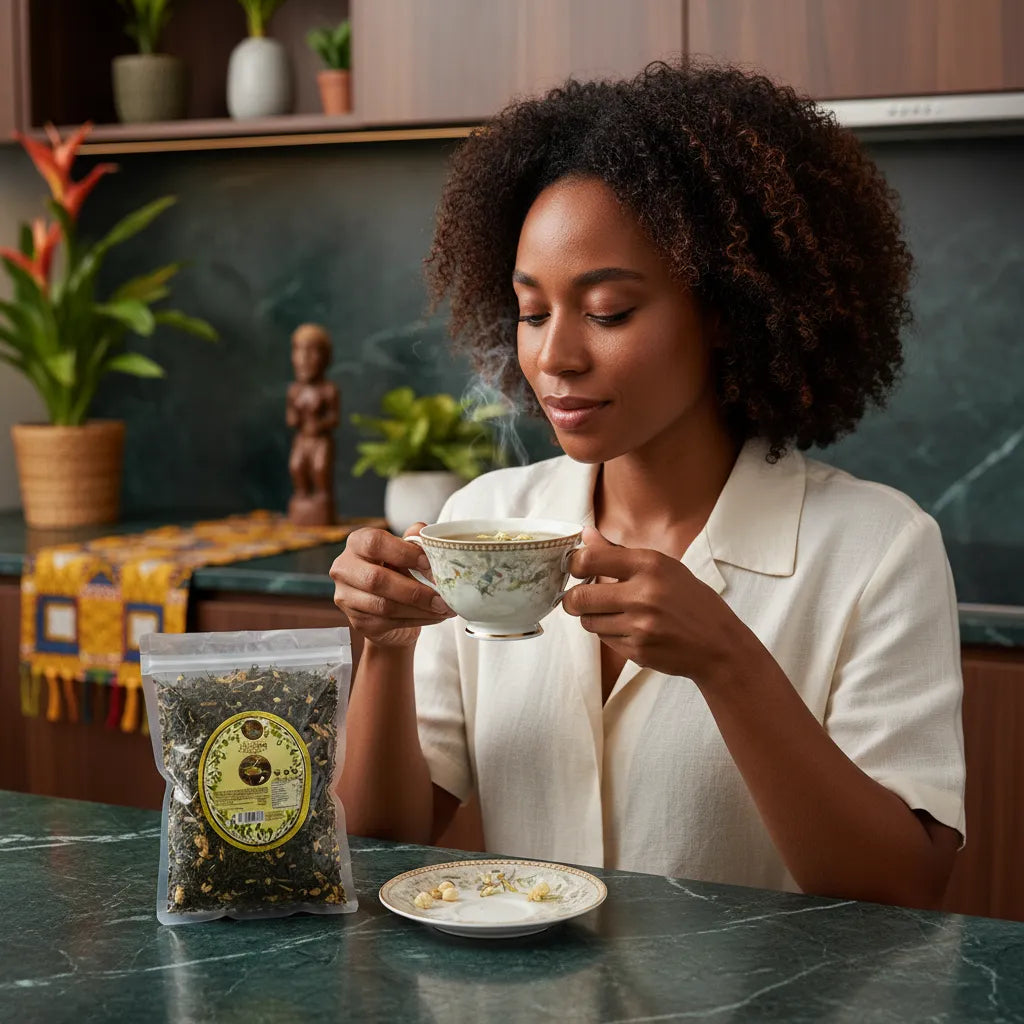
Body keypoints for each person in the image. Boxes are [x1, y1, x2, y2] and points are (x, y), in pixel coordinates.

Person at [331, 61, 965, 908]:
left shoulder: (879, 549)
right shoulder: (482, 522)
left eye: (607, 312)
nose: (555, 356)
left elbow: (905, 889)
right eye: (531, 311)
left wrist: (728, 661)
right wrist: (385, 648)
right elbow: (378, 843)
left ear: (728, 310)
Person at [286, 323, 339, 525]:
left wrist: (321, 424)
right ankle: (302, 494)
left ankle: (322, 497)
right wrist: (295, 414)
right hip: (303, 439)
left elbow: (334, 419)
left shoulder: (328, 390)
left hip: (320, 440)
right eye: (299, 351)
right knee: (297, 466)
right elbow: (291, 418)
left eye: (312, 351)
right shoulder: (294, 391)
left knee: (320, 467)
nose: (304, 359)